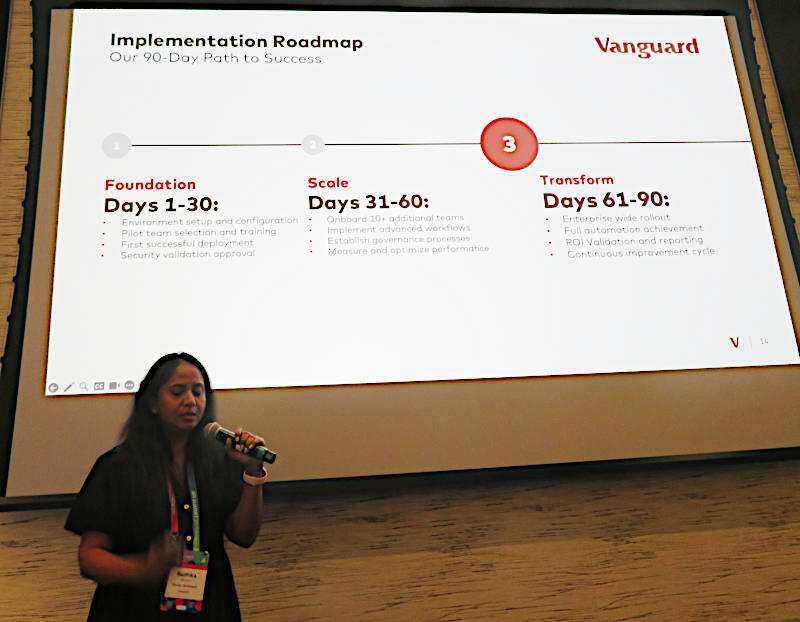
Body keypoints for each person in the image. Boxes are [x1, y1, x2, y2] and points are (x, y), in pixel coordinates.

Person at [65, 353, 268, 621]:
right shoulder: (118, 467)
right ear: (152, 403)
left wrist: (252, 472)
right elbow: (90, 558)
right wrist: (144, 569)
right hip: (133, 609)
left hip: (209, 607)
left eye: (198, 392)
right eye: (177, 392)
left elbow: (244, 536)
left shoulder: (218, 461)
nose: (190, 401)